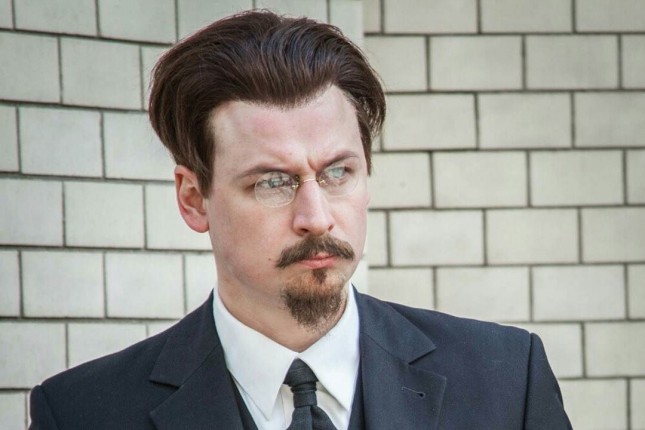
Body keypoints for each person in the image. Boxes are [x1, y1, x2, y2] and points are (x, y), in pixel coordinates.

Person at [29, 10, 571, 430]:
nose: (316, 218)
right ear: (194, 200)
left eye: (338, 173)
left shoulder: (507, 379)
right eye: (273, 182)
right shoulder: (81, 413)